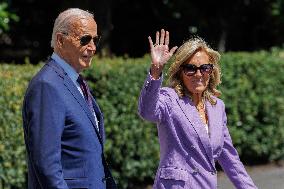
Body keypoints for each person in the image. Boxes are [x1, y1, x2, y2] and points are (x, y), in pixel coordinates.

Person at [138, 29, 258, 189]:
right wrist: (156, 71)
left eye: (205, 68)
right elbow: (147, 111)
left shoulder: (217, 107)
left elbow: (231, 160)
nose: (198, 74)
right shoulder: (170, 98)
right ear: (180, 72)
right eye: (190, 69)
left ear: (211, 71)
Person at [22, 8, 117, 189]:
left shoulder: (75, 81)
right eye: (84, 39)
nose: (93, 47)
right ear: (60, 40)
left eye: (95, 40)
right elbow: (46, 165)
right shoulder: (47, 86)